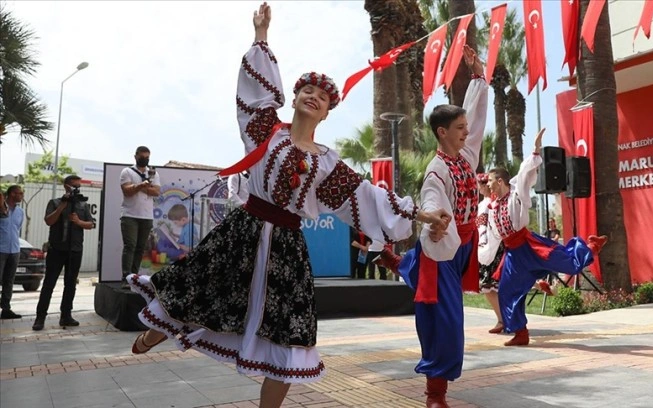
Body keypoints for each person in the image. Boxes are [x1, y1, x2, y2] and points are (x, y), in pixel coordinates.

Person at [124, 3, 449, 407]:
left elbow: (365, 196)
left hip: (287, 250)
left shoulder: (327, 164)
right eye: (307, 90)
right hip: (242, 232)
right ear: (294, 97)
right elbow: (254, 93)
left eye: (323, 97)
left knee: (291, 335)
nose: (314, 97)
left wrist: (420, 213)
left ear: (328, 113)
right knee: (197, 293)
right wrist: (262, 35)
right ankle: (155, 331)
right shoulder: (264, 131)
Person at [372, 45, 488, 408]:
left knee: (443, 309)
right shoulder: (436, 170)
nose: (466, 133)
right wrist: (436, 220)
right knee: (446, 322)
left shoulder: (466, 155)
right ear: (441, 132)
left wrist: (479, 77)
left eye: (466, 128)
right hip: (443, 247)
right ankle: (434, 395)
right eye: (459, 129)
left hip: (463, 246)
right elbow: (433, 199)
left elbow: (478, 119)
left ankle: (399, 263)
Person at [479, 130, 608, 347]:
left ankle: (591, 246)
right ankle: (520, 332)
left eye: (489, 180)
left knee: (569, 265)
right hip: (513, 254)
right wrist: (484, 252)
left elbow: (524, 174)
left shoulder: (515, 195)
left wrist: (535, 150)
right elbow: (493, 236)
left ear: (500, 181)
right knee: (508, 292)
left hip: (529, 245)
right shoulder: (491, 207)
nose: (487, 184)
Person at [32, 175, 95, 330]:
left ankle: (66, 316)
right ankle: (40, 317)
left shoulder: (82, 204)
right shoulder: (54, 203)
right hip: (56, 249)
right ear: (66, 186)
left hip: (75, 250)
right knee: (49, 284)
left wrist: (79, 222)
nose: (77, 189)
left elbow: (91, 224)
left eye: (79, 186)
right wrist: (62, 206)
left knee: (70, 284)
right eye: (74, 186)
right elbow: (49, 221)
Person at [120, 146, 161, 281]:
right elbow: (127, 191)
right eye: (142, 157)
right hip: (130, 215)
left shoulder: (153, 173)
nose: (145, 160)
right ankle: (126, 277)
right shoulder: (127, 171)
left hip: (146, 215)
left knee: (140, 248)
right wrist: (141, 186)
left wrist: (141, 187)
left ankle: (134, 278)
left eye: (147, 157)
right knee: (130, 245)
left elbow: (156, 192)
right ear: (136, 156)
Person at [475, 173, 505, 335]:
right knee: (493, 286)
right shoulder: (489, 203)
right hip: (492, 247)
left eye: (480, 185)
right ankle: (503, 318)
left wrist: (482, 244)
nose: (478, 188)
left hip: (489, 249)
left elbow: (485, 227)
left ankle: (502, 319)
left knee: (488, 286)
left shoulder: (487, 204)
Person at [0, 185, 24, 319]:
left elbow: (17, 229)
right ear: (11, 194)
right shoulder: (1, 208)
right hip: (0, 249)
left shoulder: (20, 211)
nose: (21, 195)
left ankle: (6, 309)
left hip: (14, 250)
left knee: (9, 281)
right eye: (19, 193)